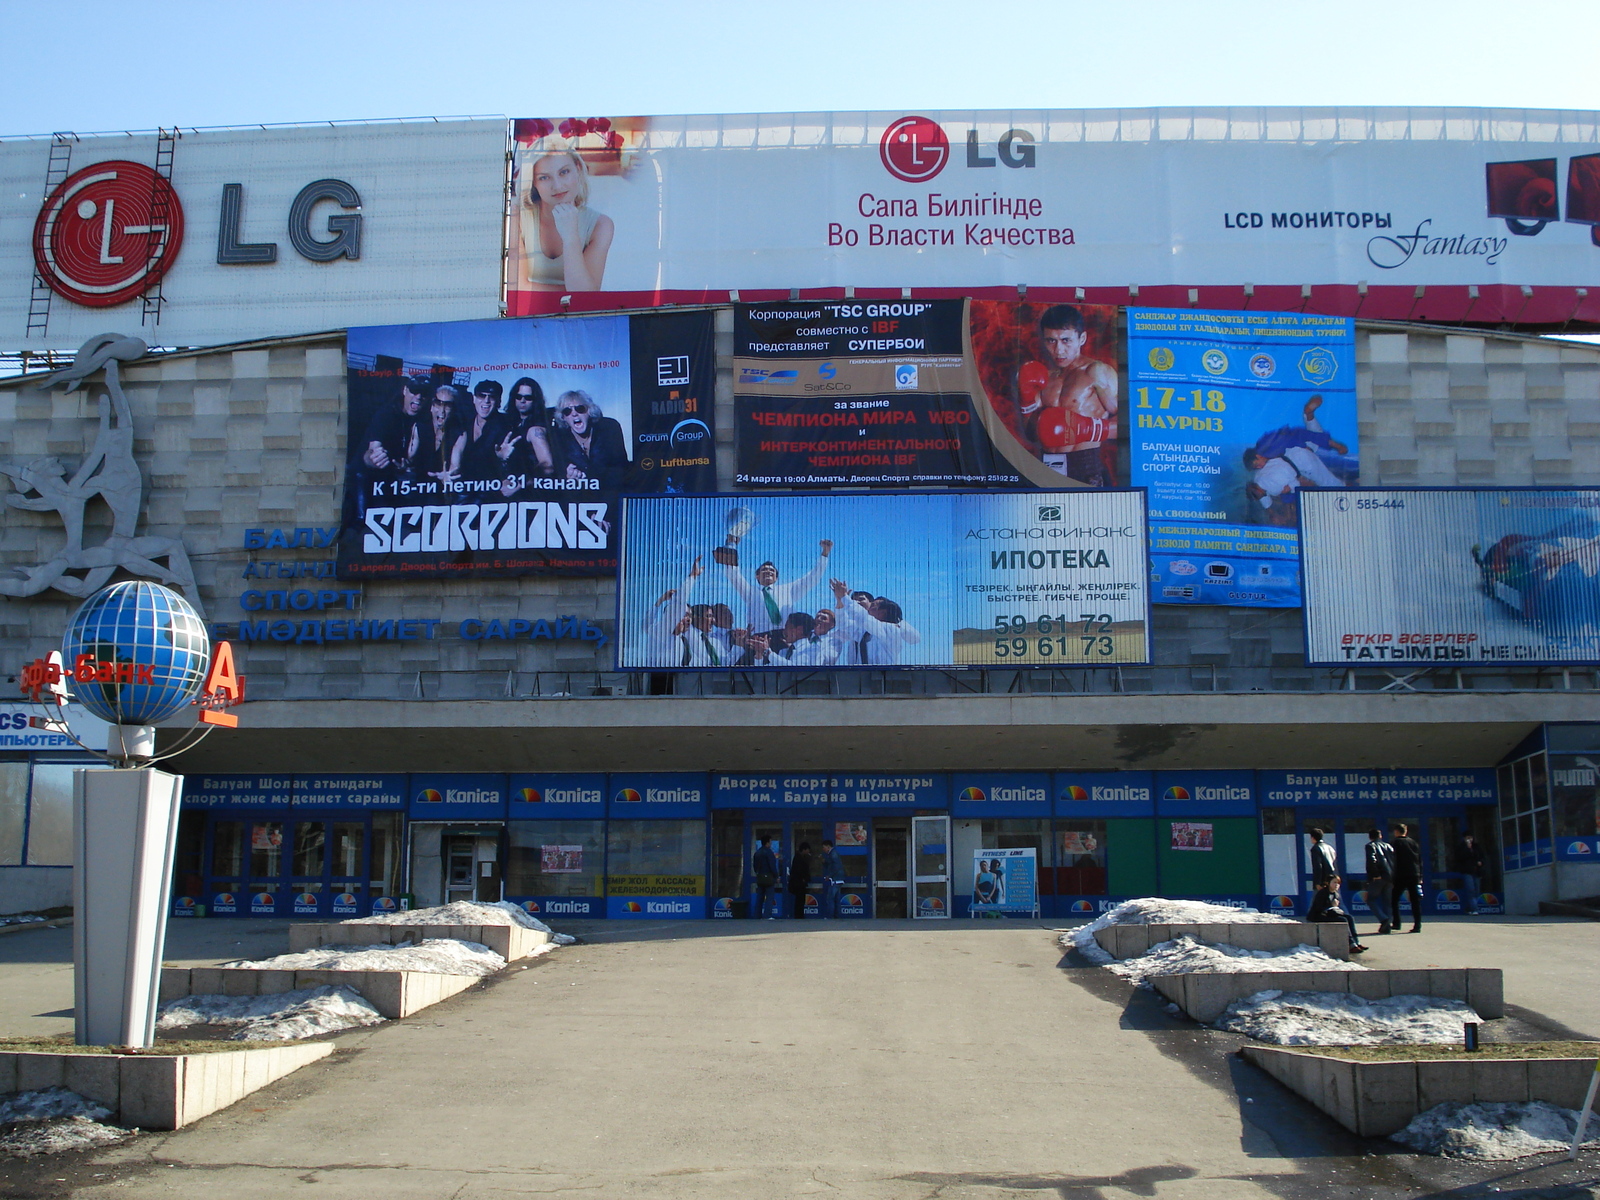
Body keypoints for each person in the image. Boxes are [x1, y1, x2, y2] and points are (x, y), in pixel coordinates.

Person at [1017, 305, 1118, 486]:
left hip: (1086, 469)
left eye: (1066, 340)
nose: (1059, 350)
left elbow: (1130, 426)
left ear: (1082, 338)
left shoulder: (1096, 372)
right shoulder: (1043, 377)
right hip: (1047, 469)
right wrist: (1026, 399)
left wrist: (1084, 429)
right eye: (1051, 341)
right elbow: (1032, 434)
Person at [515, 148, 615, 292]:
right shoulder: (516, 217)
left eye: (564, 172)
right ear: (533, 183)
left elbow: (585, 297)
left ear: (578, 169)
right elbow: (517, 288)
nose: (557, 186)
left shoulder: (601, 225)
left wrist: (570, 236)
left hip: (576, 314)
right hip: (525, 313)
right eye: (544, 177)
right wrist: (569, 292)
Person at [1244, 396, 1354, 520]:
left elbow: (1295, 481)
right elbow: (1263, 497)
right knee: (1314, 440)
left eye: (1256, 464)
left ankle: (1355, 493)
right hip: (1295, 451)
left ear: (1257, 456)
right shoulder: (1259, 476)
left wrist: (1288, 491)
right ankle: (1308, 416)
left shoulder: (1269, 477)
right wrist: (1271, 511)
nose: (1259, 467)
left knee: (1331, 485)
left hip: (1302, 462)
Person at [714, 540, 833, 638]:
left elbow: (813, 578)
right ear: (757, 576)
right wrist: (731, 544)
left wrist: (825, 554)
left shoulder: (789, 590)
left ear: (776, 577)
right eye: (764, 570)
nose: (768, 571)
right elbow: (734, 575)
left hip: (785, 637)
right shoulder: (750, 592)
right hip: (758, 637)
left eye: (772, 570)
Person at [548, 390, 629, 489]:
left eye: (580, 409)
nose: (574, 414)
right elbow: (555, 476)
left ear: (590, 411)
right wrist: (567, 478)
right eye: (567, 411)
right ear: (563, 418)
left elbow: (621, 468)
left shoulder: (609, 428)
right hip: (577, 495)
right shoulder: (559, 439)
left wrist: (590, 477)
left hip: (608, 492)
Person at [831, 580, 922, 665]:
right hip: (859, 676)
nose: (870, 607)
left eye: (874, 605)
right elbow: (844, 624)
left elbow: (864, 618)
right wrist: (840, 601)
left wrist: (844, 597)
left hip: (884, 677)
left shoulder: (890, 629)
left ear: (883, 612)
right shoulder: (864, 631)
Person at [361, 375, 427, 479]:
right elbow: (372, 450)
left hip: (396, 477)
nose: (418, 396)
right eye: (414, 390)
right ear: (405, 390)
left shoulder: (424, 420)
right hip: (368, 477)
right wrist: (374, 458)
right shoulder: (386, 415)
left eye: (424, 393)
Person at [457, 380, 512, 483]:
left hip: (490, 488)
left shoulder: (506, 427)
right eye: (482, 396)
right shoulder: (464, 422)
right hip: (463, 486)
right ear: (474, 399)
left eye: (492, 397)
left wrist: (502, 460)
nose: (486, 401)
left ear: (499, 402)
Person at [503, 376, 556, 479]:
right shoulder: (509, 423)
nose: (522, 401)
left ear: (535, 400)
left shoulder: (536, 428)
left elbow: (548, 466)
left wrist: (520, 484)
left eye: (528, 398)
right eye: (518, 397)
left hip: (532, 488)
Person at [414, 386, 466, 485]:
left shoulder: (460, 433)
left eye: (447, 406)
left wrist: (449, 475)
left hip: (442, 487)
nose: (442, 411)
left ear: (453, 410)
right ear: (432, 407)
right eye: (438, 403)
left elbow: (455, 465)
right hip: (417, 483)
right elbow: (410, 457)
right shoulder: (419, 426)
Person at [1306, 874, 1369, 953]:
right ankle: (1351, 944)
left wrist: (1335, 908)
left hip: (1329, 913)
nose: (1336, 885)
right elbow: (1319, 908)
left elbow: (1334, 908)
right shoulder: (1322, 893)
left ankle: (1356, 942)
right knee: (1342, 920)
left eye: (1338, 883)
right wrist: (1332, 906)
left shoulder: (1336, 894)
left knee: (1349, 918)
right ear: (1328, 883)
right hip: (1318, 916)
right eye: (1334, 882)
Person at [1389, 822, 1424, 932]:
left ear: (1396, 831)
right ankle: (1417, 925)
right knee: (1415, 901)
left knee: (1394, 899)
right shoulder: (1413, 843)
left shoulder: (1395, 843)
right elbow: (1419, 860)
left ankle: (1396, 922)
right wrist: (1420, 875)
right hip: (1414, 874)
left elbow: (1392, 860)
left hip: (1401, 874)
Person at [1364, 827, 1396, 935]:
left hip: (1379, 876)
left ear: (1370, 837)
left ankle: (1383, 919)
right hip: (1390, 877)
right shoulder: (1388, 846)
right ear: (1380, 836)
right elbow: (1394, 861)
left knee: (1370, 900)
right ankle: (1387, 925)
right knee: (1387, 902)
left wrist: (1375, 874)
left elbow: (1371, 860)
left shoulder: (1370, 846)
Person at [1451, 832, 1487, 915]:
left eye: (1470, 838)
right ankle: (1475, 909)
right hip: (1467, 871)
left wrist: (1481, 862)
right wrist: (1467, 849)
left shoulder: (1477, 847)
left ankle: (1469, 907)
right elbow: (1460, 858)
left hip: (1477, 871)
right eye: (1467, 838)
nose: (1469, 840)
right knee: (1471, 890)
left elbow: (1482, 857)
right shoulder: (1461, 847)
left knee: (1477, 891)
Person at [751, 836, 780, 920]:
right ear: (767, 842)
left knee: (759, 896)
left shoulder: (757, 852)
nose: (770, 843)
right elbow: (772, 866)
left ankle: (757, 915)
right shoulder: (769, 852)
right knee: (769, 896)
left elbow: (755, 866)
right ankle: (767, 915)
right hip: (769, 877)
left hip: (760, 877)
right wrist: (776, 876)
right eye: (770, 842)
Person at [817, 839, 844, 919]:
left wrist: (830, 875)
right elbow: (829, 864)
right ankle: (836, 916)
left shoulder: (833, 854)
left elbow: (836, 866)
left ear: (828, 847)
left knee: (830, 898)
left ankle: (830, 916)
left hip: (836, 879)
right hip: (838, 879)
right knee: (836, 899)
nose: (823, 849)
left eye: (824, 847)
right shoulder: (831, 854)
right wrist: (822, 861)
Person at [787, 841, 813, 919]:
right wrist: (804, 879)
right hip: (798, 883)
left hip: (799, 883)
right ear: (804, 849)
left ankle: (799, 914)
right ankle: (799, 915)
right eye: (808, 850)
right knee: (800, 900)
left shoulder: (800, 857)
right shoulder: (799, 858)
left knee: (800, 900)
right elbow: (800, 870)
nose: (808, 852)